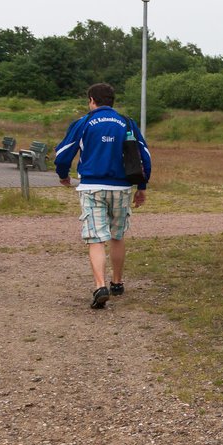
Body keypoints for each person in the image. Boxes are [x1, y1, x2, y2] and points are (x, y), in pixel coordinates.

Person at [54, 83, 151, 309]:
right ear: (112, 100)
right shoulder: (127, 123)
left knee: (96, 238)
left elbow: (63, 153)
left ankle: (100, 286)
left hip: (92, 187)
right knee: (117, 235)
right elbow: (144, 156)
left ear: (91, 100)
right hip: (122, 188)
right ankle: (117, 282)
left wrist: (62, 175)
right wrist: (142, 187)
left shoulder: (84, 122)